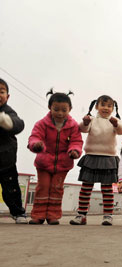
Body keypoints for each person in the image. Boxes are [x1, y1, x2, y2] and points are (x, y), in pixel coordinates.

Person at [27, 90, 83, 225]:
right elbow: (35, 137)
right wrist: (36, 145)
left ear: (70, 109)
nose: (60, 113)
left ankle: (53, 215)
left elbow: (76, 141)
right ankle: (38, 215)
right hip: (44, 163)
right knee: (43, 187)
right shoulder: (41, 124)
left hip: (63, 164)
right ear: (49, 108)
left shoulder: (73, 126)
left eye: (64, 110)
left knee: (56, 188)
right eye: (56, 109)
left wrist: (74, 151)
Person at [70, 95, 122, 226]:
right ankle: (81, 215)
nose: (106, 108)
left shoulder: (114, 120)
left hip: (108, 158)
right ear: (96, 107)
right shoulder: (92, 120)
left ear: (113, 108)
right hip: (91, 156)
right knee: (86, 188)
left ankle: (108, 216)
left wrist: (116, 124)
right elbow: (82, 129)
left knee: (107, 190)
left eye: (109, 106)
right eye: (103, 105)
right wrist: (84, 122)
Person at [0, 78, 27, 224]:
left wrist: (6, 121)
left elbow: (19, 124)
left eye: (1, 92)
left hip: (6, 161)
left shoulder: (8, 112)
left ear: (7, 96)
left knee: (11, 190)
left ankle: (18, 212)